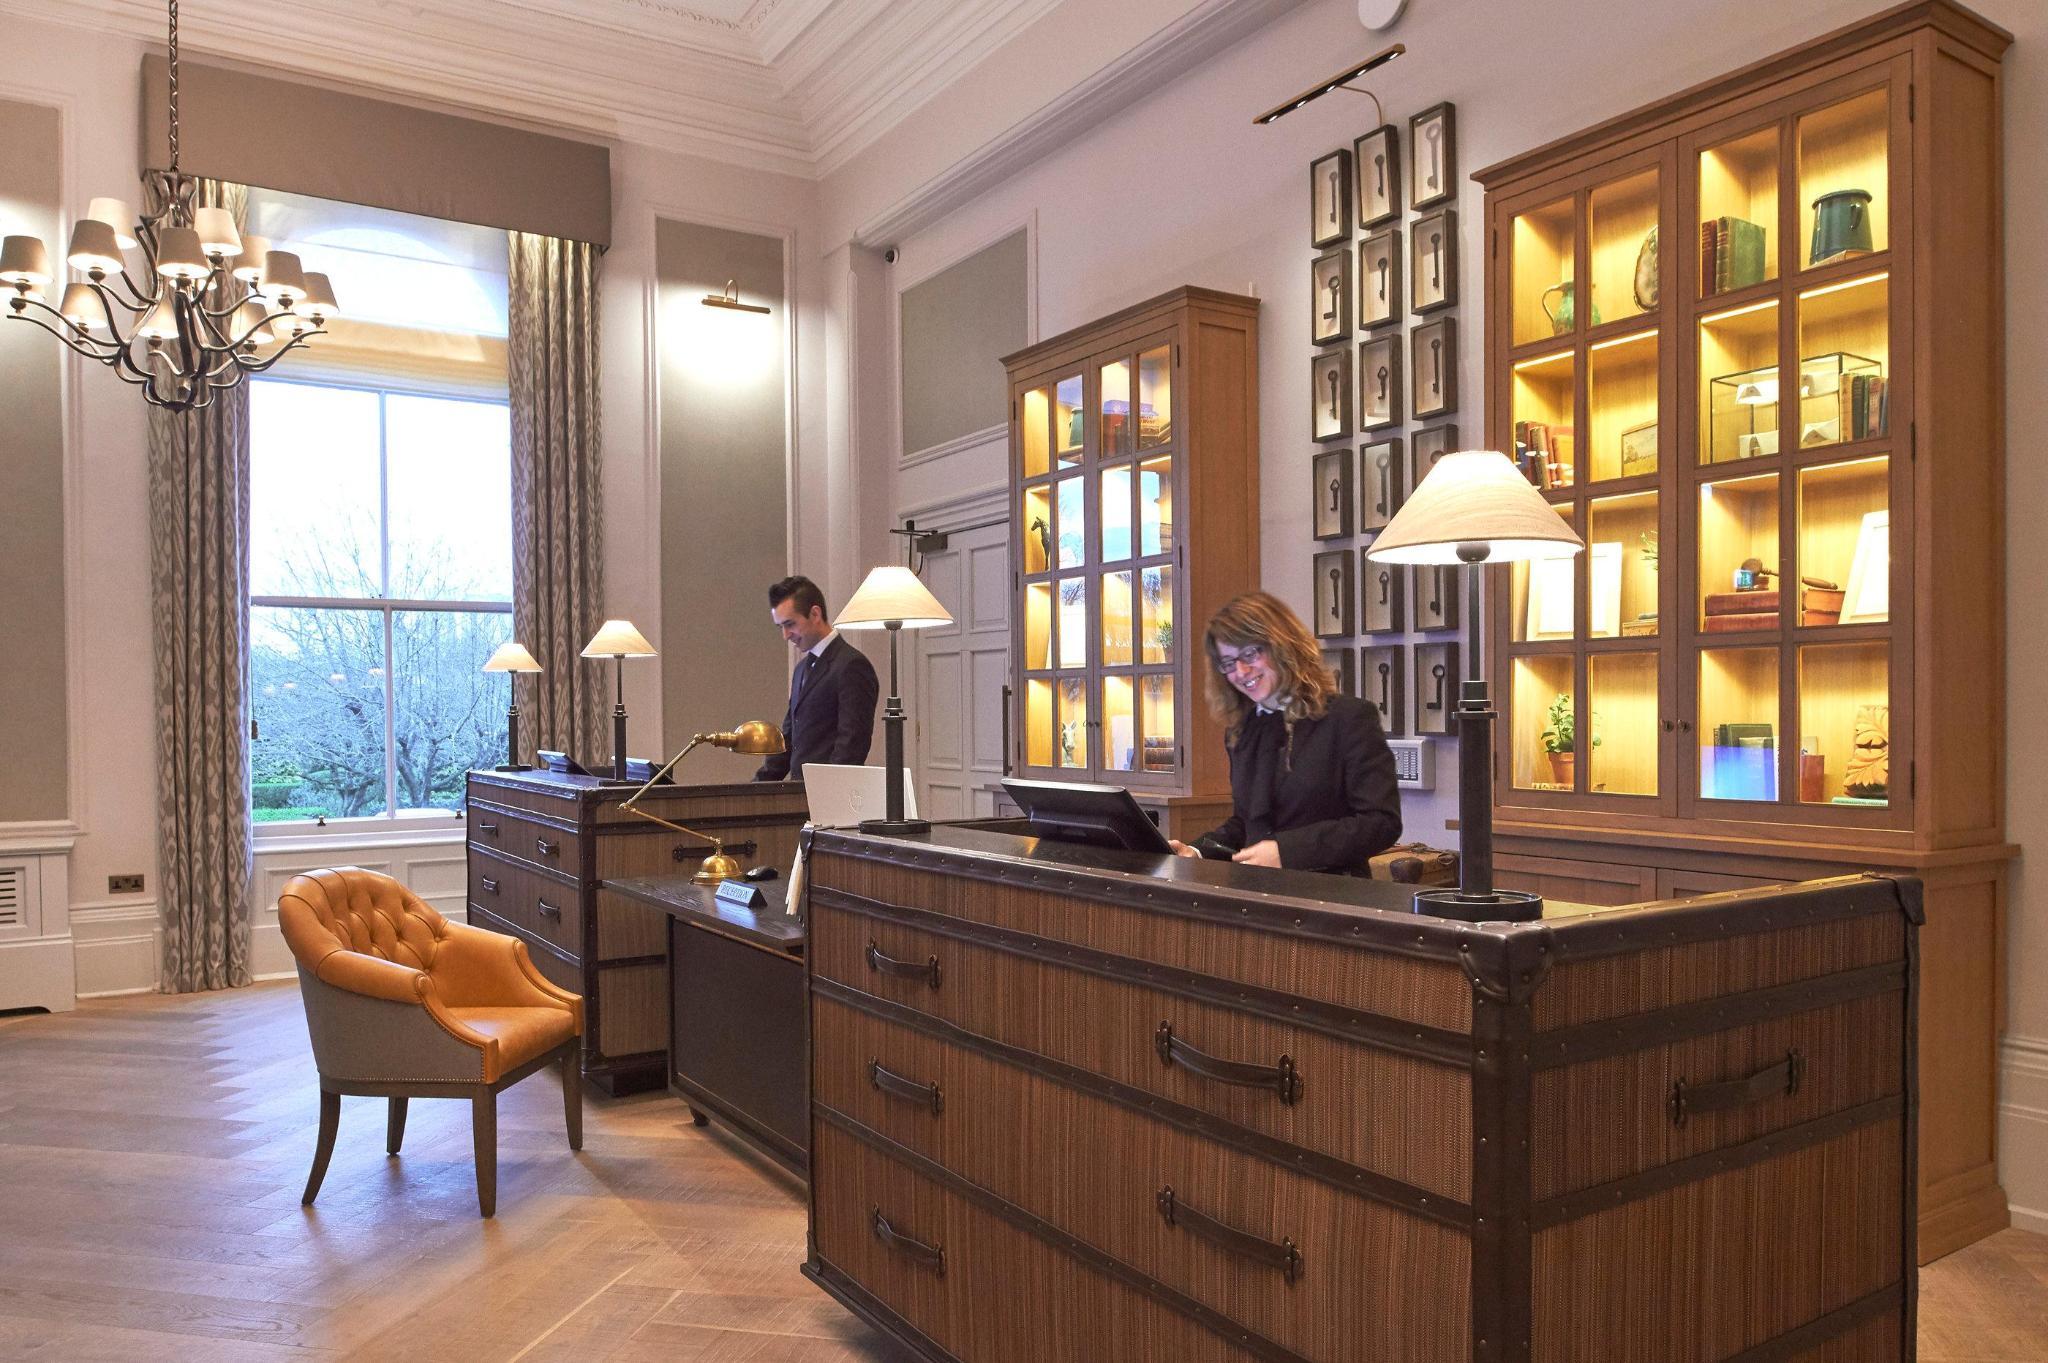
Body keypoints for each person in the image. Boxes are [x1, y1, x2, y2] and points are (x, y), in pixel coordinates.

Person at [1168, 590, 1401, 873]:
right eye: (1228, 663)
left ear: (1282, 646)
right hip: (1256, 892)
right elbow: (1247, 823)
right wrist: (1197, 851)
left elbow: (1381, 822)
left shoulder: (1349, 718)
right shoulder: (1241, 732)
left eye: (1250, 653)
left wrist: (1288, 852)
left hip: (1331, 892)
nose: (1241, 671)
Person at [753, 576, 881, 782]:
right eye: (781, 627)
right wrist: (754, 789)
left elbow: (851, 744)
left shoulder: (852, 665)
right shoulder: (801, 670)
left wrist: (826, 790)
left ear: (815, 614)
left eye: (790, 624)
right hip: (799, 792)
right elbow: (788, 738)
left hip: (829, 792)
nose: (786, 635)